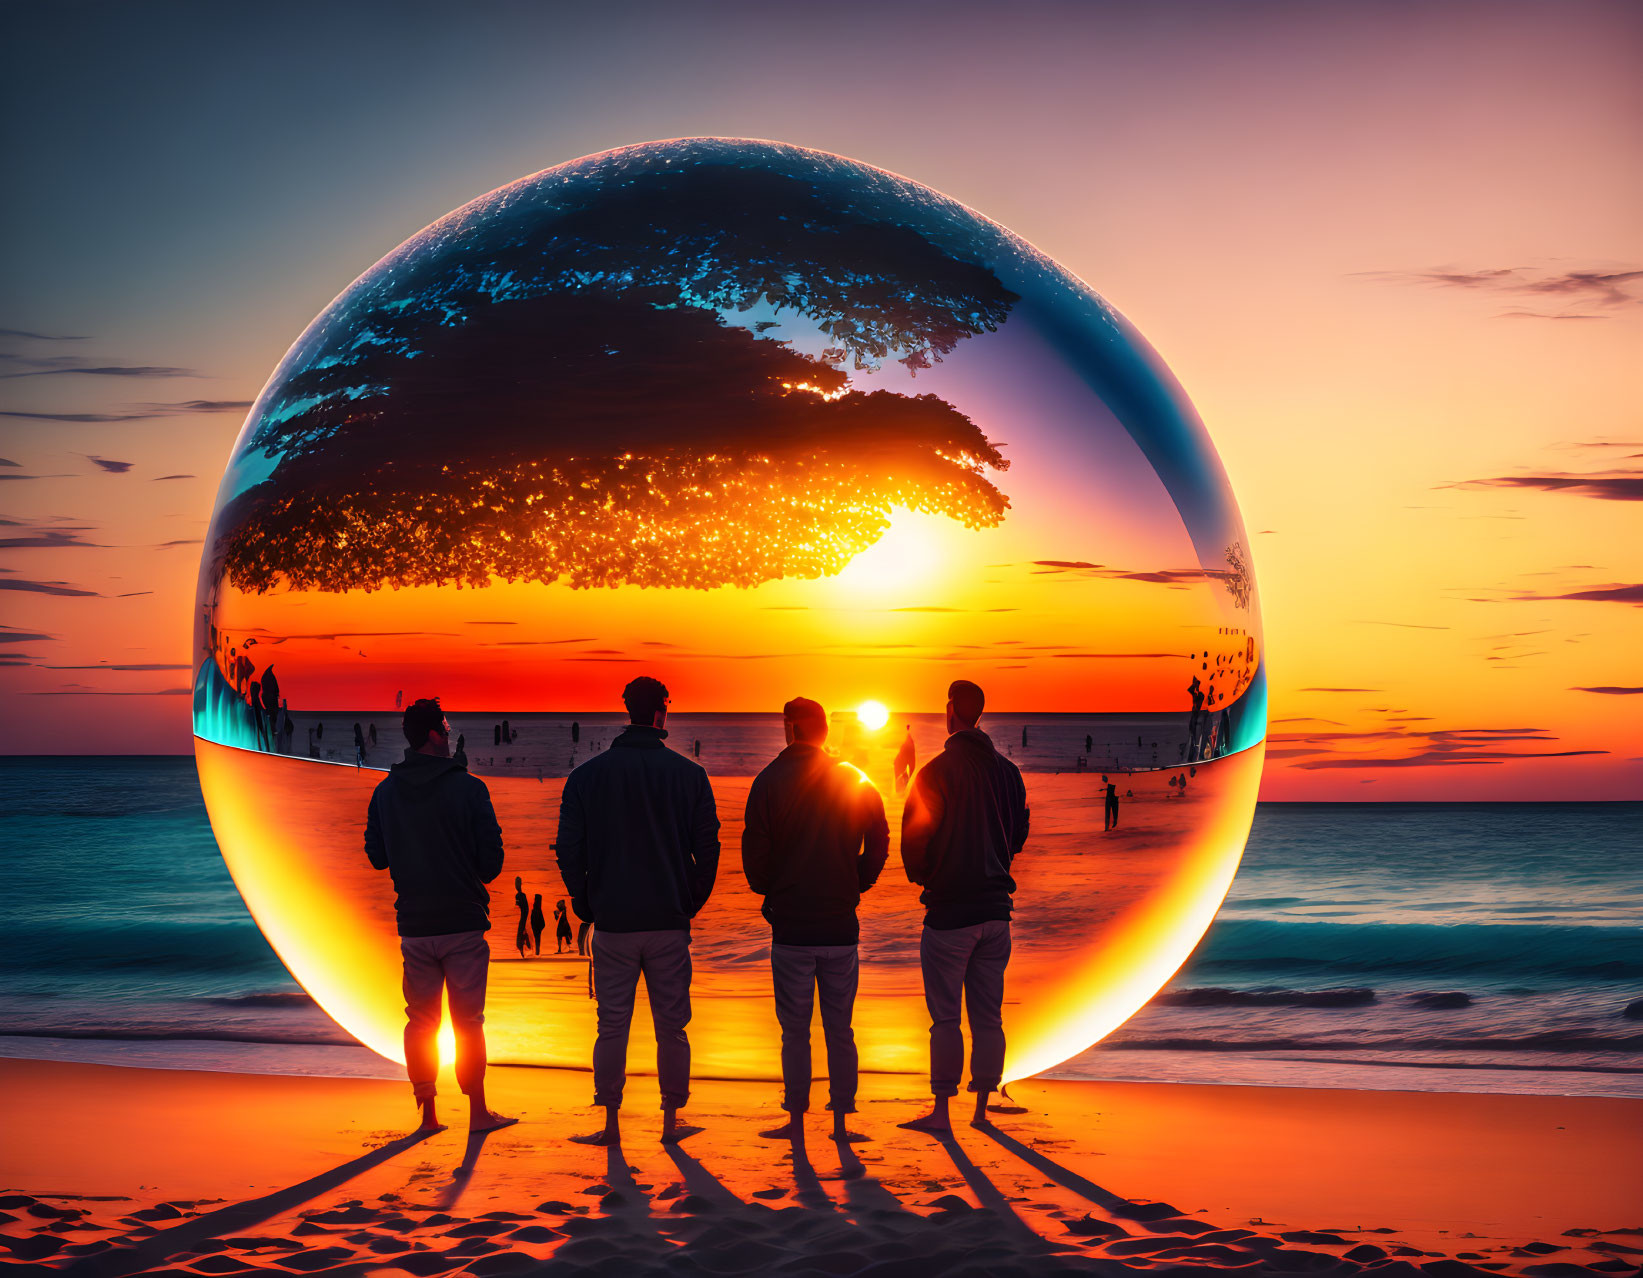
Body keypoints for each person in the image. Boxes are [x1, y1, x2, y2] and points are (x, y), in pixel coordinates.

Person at [555, 676, 720, 1146]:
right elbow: (707, 848)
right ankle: (671, 1121)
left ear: (628, 710)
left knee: (612, 1023)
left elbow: (569, 849)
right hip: (667, 918)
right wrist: (691, 899)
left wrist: (585, 900)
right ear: (661, 712)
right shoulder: (689, 775)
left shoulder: (587, 777)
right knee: (672, 1024)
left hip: (614, 919)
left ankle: (610, 1121)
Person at [364, 697, 514, 1135]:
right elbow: (492, 864)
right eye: (446, 728)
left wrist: (410, 851)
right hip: (462, 920)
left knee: (421, 1019)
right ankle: (479, 1112)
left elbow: (375, 856)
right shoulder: (468, 788)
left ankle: (428, 1115)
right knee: (468, 1021)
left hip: (413, 921)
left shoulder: (386, 791)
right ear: (433, 733)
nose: (450, 735)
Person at [742, 697, 889, 1143]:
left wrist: (772, 890)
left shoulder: (769, 781)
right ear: (822, 731)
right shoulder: (851, 778)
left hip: (792, 926)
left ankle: (798, 1117)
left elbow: (755, 855)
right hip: (838, 924)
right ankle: (843, 1117)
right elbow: (880, 835)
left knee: (795, 1031)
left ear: (791, 728)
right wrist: (858, 880)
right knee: (838, 1027)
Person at [898, 680, 1029, 1133]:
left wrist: (930, 876)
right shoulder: (1008, 773)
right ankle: (981, 1110)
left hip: (951, 913)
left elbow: (914, 845)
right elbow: (1019, 835)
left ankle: (941, 1112)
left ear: (951, 711)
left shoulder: (935, 772)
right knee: (988, 1016)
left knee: (945, 1018)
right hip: (996, 911)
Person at [893, 724, 917, 795]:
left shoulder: (909, 745)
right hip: (902, 764)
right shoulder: (907, 745)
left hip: (903, 765)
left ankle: (901, 791)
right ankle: (900, 791)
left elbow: (912, 765)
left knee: (903, 780)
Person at [513, 877, 530, 958]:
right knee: (521, 932)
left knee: (520, 933)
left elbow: (518, 907)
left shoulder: (518, 895)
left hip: (521, 916)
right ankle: (523, 948)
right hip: (523, 915)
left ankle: (523, 949)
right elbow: (526, 907)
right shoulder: (522, 895)